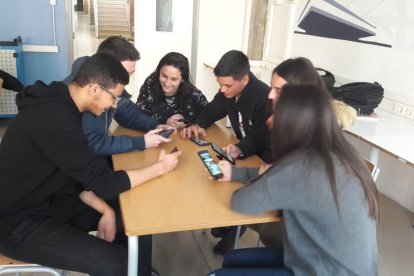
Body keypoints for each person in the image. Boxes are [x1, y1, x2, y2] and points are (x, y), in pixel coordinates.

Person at [0, 53, 182, 276]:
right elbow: (105, 182)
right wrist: (161, 167)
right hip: (18, 225)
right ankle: (130, 268)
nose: (114, 105)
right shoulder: (54, 118)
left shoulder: (63, 101)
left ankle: (136, 269)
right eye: (114, 98)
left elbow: (78, 175)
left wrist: (107, 210)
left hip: (51, 201)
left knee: (133, 215)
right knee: (122, 265)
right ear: (95, 89)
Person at [212, 84, 379, 275]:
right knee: (232, 259)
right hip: (323, 257)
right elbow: (273, 173)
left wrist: (268, 176)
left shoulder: (302, 164)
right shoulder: (334, 151)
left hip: (325, 269)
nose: (270, 121)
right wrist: (240, 174)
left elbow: (241, 200)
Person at [63, 36, 170, 158]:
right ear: (106, 66)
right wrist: (141, 142)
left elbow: (128, 113)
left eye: (131, 74)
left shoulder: (109, 85)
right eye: (124, 73)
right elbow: (92, 144)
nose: (127, 80)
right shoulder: (84, 96)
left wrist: (155, 125)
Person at [181, 50, 271, 160]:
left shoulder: (265, 97)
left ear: (244, 80)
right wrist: (198, 124)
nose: (222, 90)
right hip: (242, 151)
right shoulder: (228, 92)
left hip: (264, 159)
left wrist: (239, 149)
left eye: (228, 85)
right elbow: (212, 110)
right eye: (220, 84)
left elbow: (260, 138)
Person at [136, 52, 208, 128]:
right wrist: (165, 120)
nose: (167, 83)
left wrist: (187, 119)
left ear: (183, 79)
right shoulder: (151, 82)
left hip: (182, 136)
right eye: (164, 76)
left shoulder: (192, 93)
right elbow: (139, 111)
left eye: (174, 79)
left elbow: (208, 114)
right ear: (159, 72)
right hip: (154, 133)